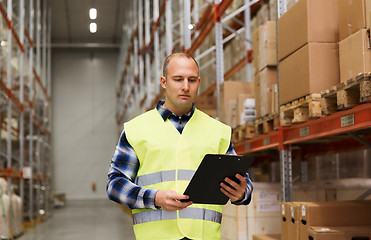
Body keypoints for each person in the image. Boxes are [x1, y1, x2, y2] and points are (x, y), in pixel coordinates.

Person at [107, 52, 253, 240]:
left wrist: (242, 193)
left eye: (191, 80)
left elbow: (243, 182)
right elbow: (115, 185)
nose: (185, 87)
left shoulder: (218, 132)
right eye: (178, 79)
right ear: (164, 82)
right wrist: (155, 198)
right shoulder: (136, 130)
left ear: (199, 82)